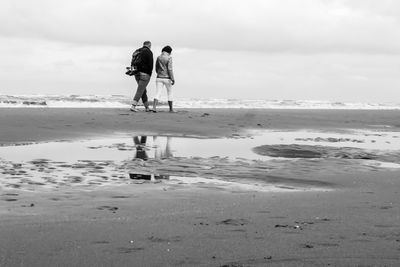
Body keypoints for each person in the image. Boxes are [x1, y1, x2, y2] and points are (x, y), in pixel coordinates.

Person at [130, 41, 153, 112]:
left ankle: (147, 107)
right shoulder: (149, 52)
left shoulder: (137, 51)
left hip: (136, 73)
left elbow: (132, 62)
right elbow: (150, 64)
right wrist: (150, 74)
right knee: (140, 90)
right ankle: (133, 106)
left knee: (143, 90)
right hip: (145, 74)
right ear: (149, 45)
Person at [152, 45, 175, 112]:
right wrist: (172, 78)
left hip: (159, 77)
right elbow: (170, 69)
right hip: (167, 78)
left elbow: (156, 68)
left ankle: (154, 108)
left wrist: (159, 73)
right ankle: (171, 109)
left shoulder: (158, 57)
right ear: (169, 52)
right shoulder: (169, 58)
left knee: (158, 93)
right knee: (170, 93)